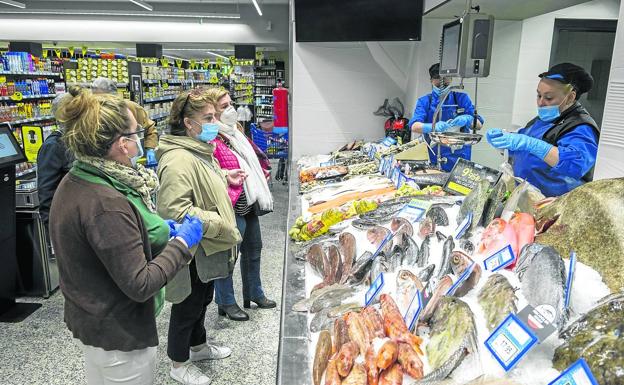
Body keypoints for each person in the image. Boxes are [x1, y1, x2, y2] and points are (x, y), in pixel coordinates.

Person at [49, 90, 204, 385]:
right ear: (123, 144)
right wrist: (182, 244)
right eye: (137, 133)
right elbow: (140, 283)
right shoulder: (106, 202)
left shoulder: (79, 178)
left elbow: (102, 244)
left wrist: (149, 231)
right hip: (119, 335)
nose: (142, 139)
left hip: (94, 320)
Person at [156, 88, 244, 385]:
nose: (214, 122)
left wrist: (224, 178)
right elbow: (175, 210)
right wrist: (219, 223)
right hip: (192, 250)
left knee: (203, 298)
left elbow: (201, 186)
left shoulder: (198, 150)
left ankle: (199, 347)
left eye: (215, 116)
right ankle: (178, 364)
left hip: (207, 248)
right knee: (188, 305)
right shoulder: (178, 159)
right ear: (187, 122)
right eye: (208, 117)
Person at [205, 87, 276, 322]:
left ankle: (254, 293)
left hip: (248, 201)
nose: (231, 109)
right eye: (224, 106)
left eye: (230, 103)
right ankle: (226, 301)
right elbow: (210, 171)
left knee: (254, 250)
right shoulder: (210, 137)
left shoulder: (235, 132)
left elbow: (250, 158)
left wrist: (259, 172)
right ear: (211, 111)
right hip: (229, 205)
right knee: (228, 257)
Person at [486, 63, 600, 197]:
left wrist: (530, 143)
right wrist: (504, 140)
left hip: (557, 206)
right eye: (538, 95)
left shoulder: (581, 126)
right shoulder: (541, 120)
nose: (540, 103)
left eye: (549, 98)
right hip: (528, 200)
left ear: (570, 97)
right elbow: (525, 146)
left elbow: (575, 165)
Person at [409, 63, 483, 171]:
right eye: (437, 78)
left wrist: (467, 119)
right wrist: (433, 127)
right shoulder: (425, 101)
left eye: (445, 77)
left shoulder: (461, 98)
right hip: (433, 155)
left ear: (452, 79)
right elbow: (415, 126)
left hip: (459, 156)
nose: (442, 81)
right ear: (431, 80)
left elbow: (479, 125)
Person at [91, 77, 159, 166]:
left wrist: (150, 148)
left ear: (114, 95)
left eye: (104, 98)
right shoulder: (92, 114)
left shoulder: (131, 108)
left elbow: (150, 128)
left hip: (134, 158)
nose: (100, 103)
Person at [37, 91, 74, 229]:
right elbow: (46, 192)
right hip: (65, 223)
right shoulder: (53, 146)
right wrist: (53, 229)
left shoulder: (76, 141)